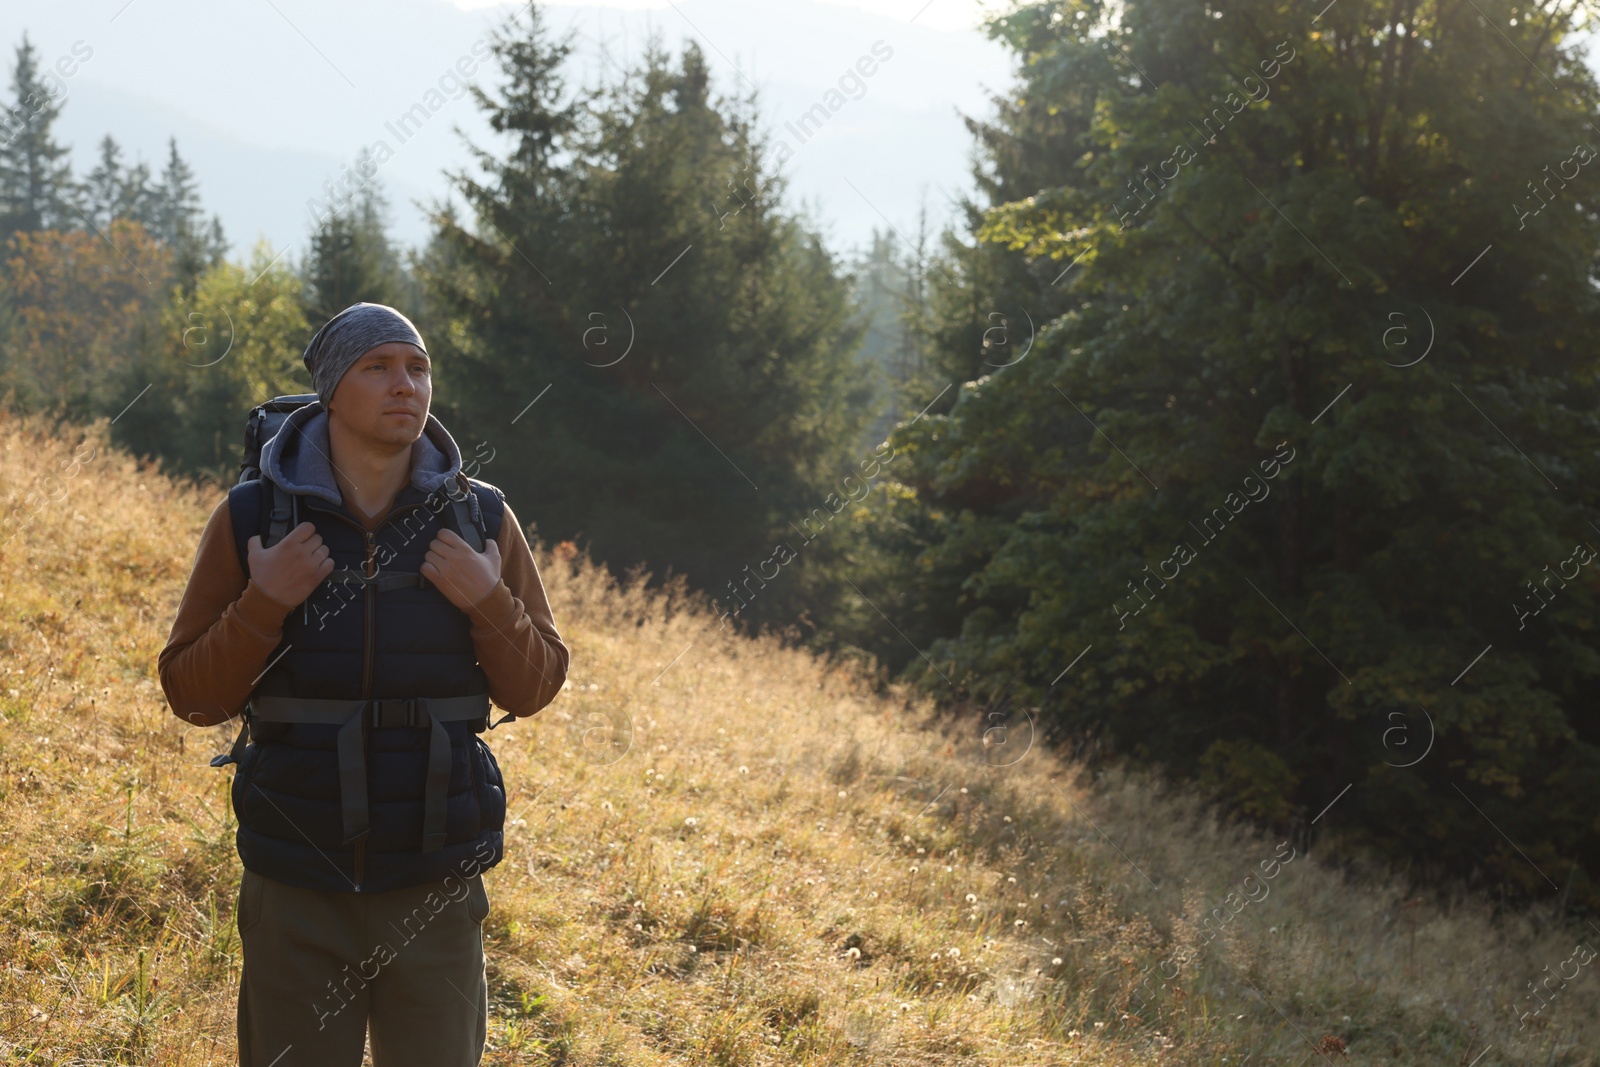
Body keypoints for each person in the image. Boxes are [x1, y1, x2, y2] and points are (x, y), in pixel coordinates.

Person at [158, 302, 570, 1066]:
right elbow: (193, 694)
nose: (404, 384)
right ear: (330, 391)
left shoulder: (481, 516)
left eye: (417, 368)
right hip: (296, 884)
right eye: (377, 367)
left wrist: (487, 598)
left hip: (434, 885)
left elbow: (536, 684)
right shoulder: (255, 517)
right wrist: (264, 601)